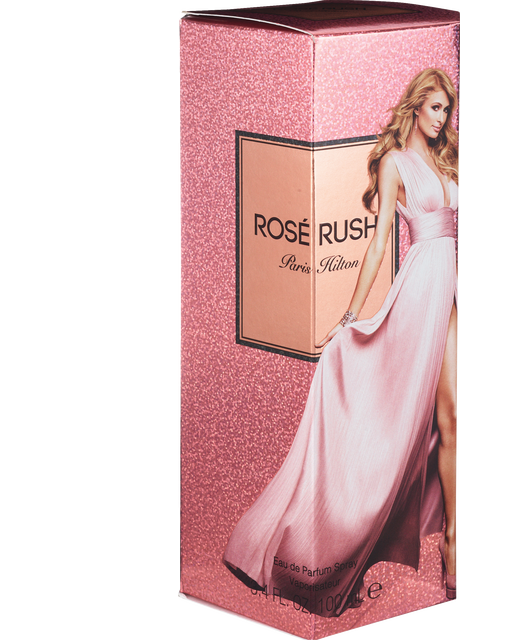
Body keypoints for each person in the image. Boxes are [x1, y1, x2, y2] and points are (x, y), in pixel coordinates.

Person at [223, 68, 459, 614]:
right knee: (413, 419)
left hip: (450, 296)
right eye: (435, 108)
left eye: (448, 109)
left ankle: (453, 538)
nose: (443, 118)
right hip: (420, 294)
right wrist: (351, 314)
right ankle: (328, 538)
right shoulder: (395, 163)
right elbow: (378, 245)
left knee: (451, 418)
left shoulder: (449, 160)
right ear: (415, 108)